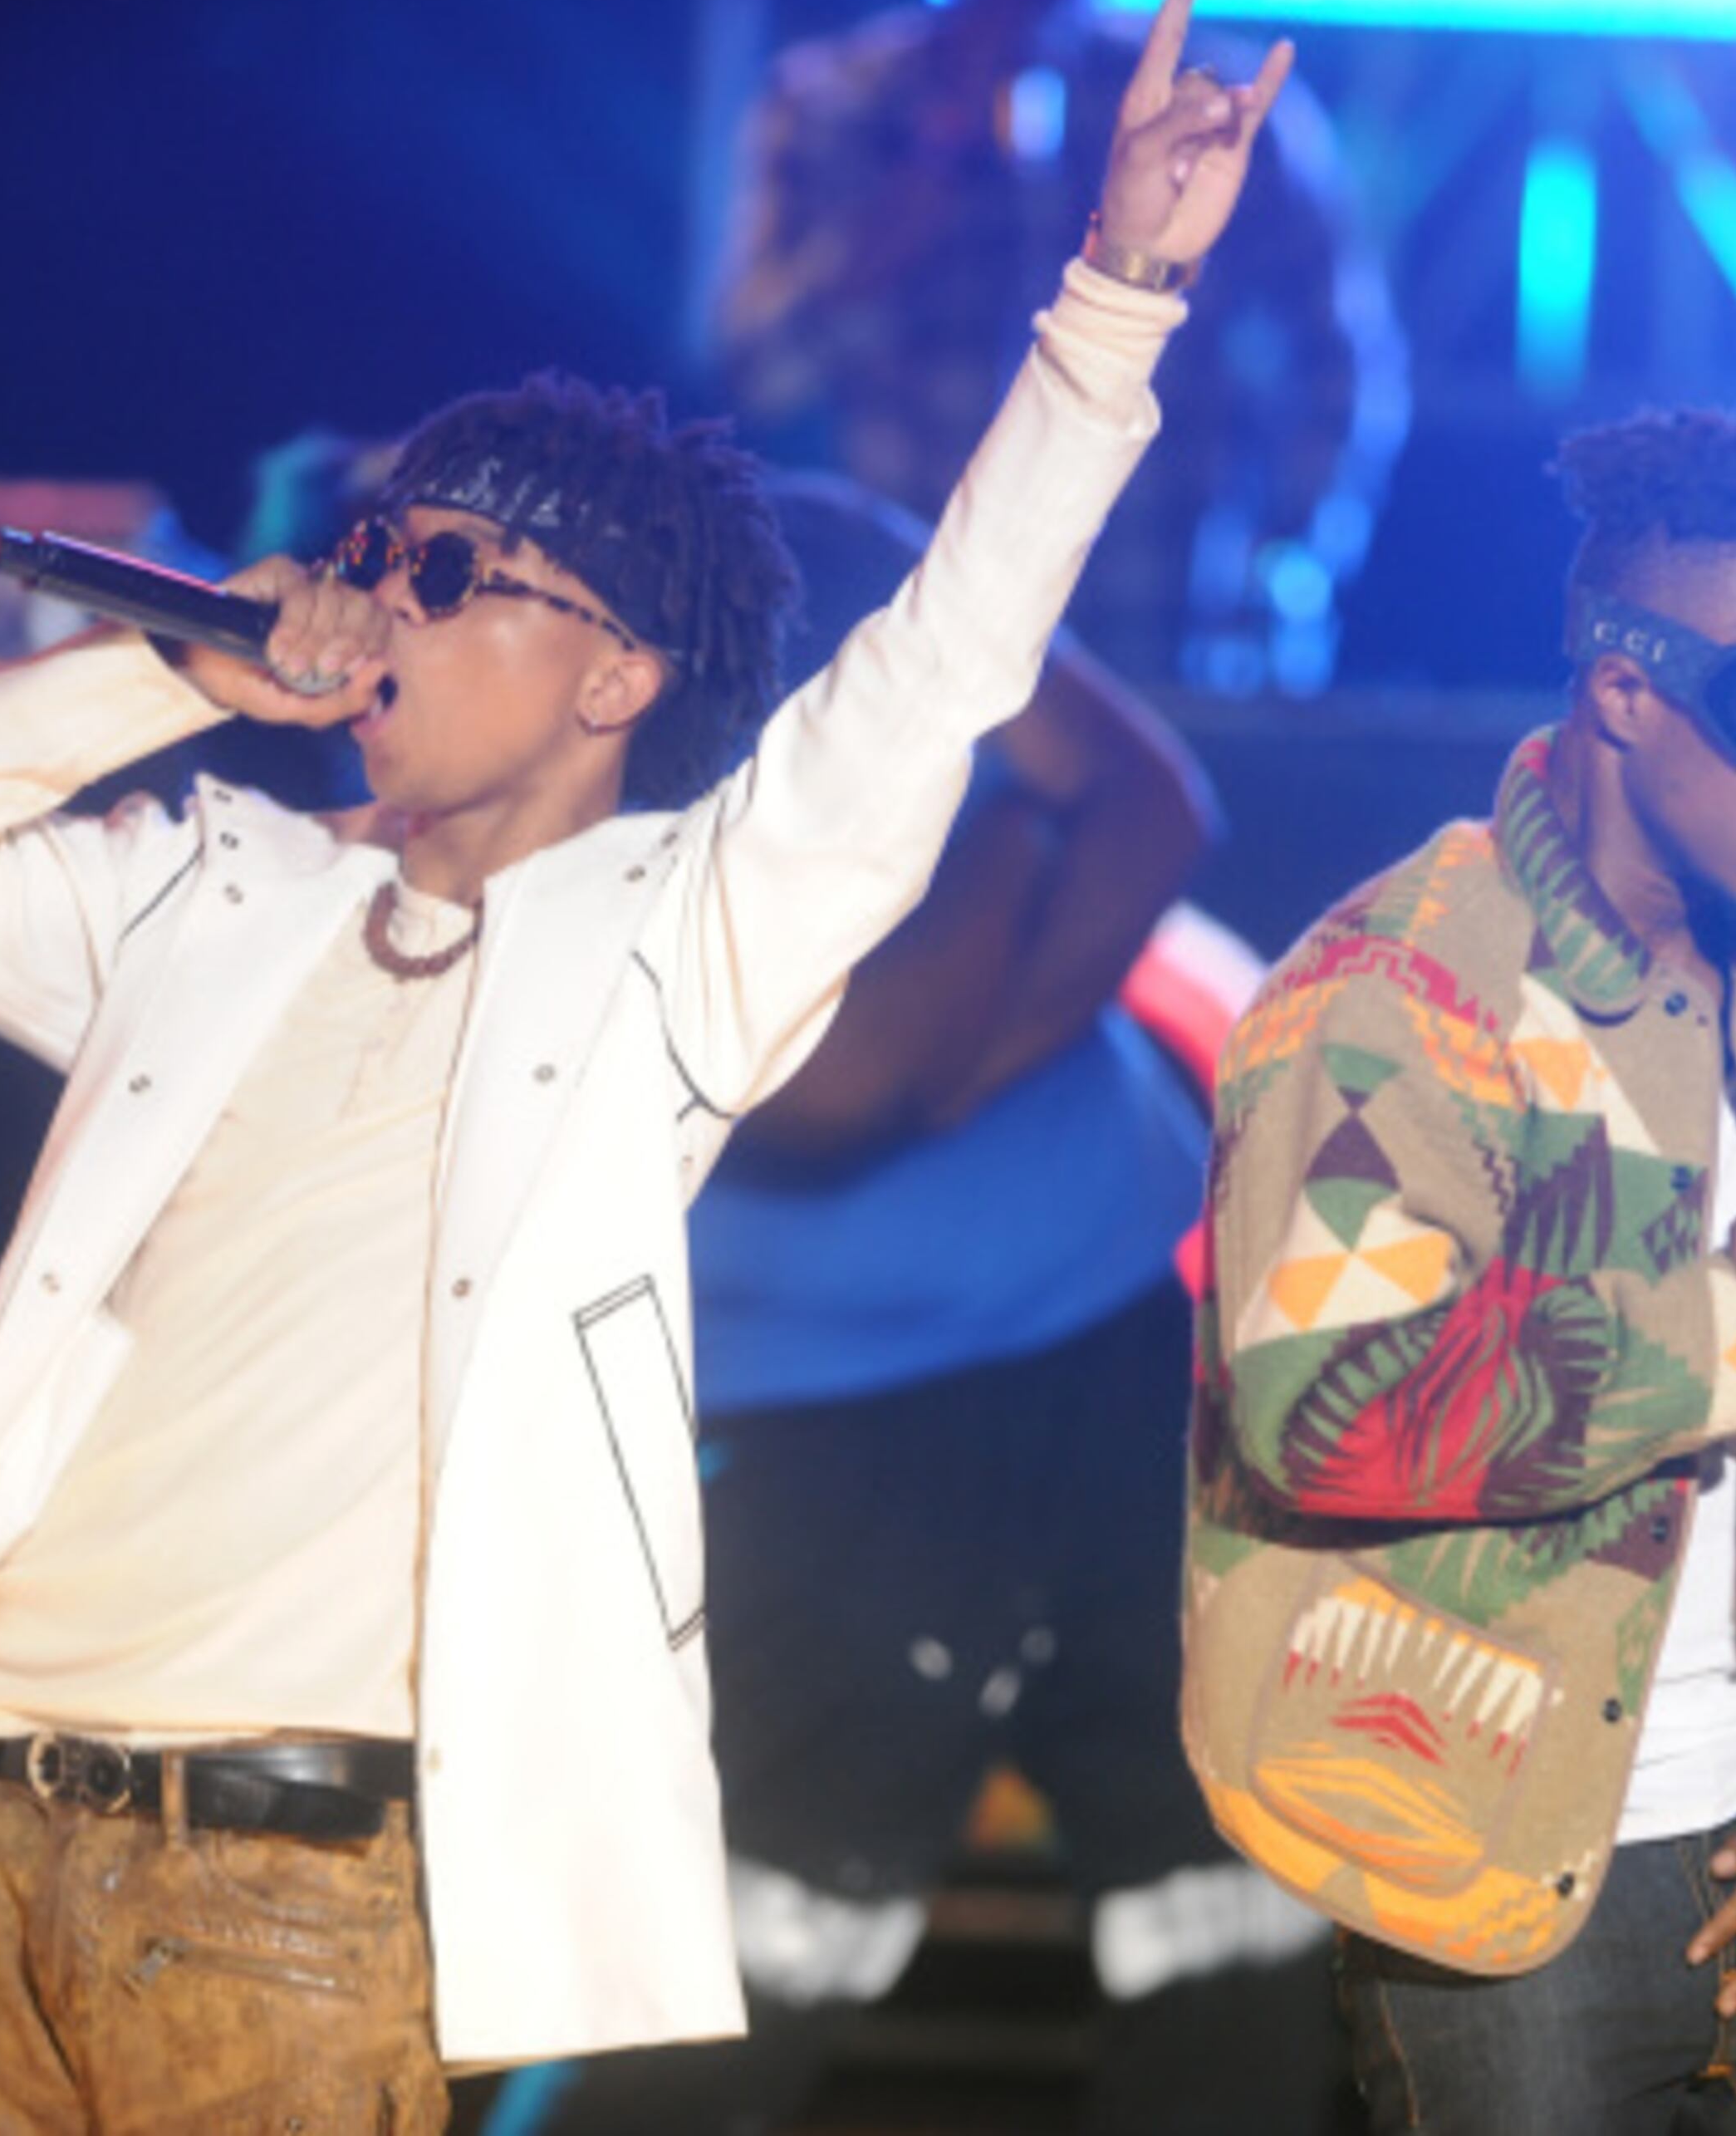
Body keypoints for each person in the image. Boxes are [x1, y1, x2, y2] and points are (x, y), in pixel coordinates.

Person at [0, 0, 1292, 2124]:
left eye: (456, 570)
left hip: (294, 1898)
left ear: (615, 676)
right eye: (378, 554)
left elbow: (944, 669)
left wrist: (1118, 293)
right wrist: (179, 675)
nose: (386, 599)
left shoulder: (668, 944)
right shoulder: (220, 893)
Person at [1181, 407, 1736, 2130]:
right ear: (1624, 691)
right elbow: (1311, 1405)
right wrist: (1728, 1329)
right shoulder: (1396, 993)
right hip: (1474, 1851)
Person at [509, 474, 1331, 2136]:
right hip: (809, 1421)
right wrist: (1015, 852)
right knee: (753, 1944)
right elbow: (830, 1094)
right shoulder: (520, 682)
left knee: (1249, 1914)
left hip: (1118, 1339)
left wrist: (961, 1019)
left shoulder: (841, 548)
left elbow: (1147, 813)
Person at [717, 0, 1402, 694]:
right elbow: (756, 372)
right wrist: (914, 192)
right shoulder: (835, 102)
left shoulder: (1212, 109)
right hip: (915, 648)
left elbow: (1343, 360)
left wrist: (1286, 565)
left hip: (1162, 640)